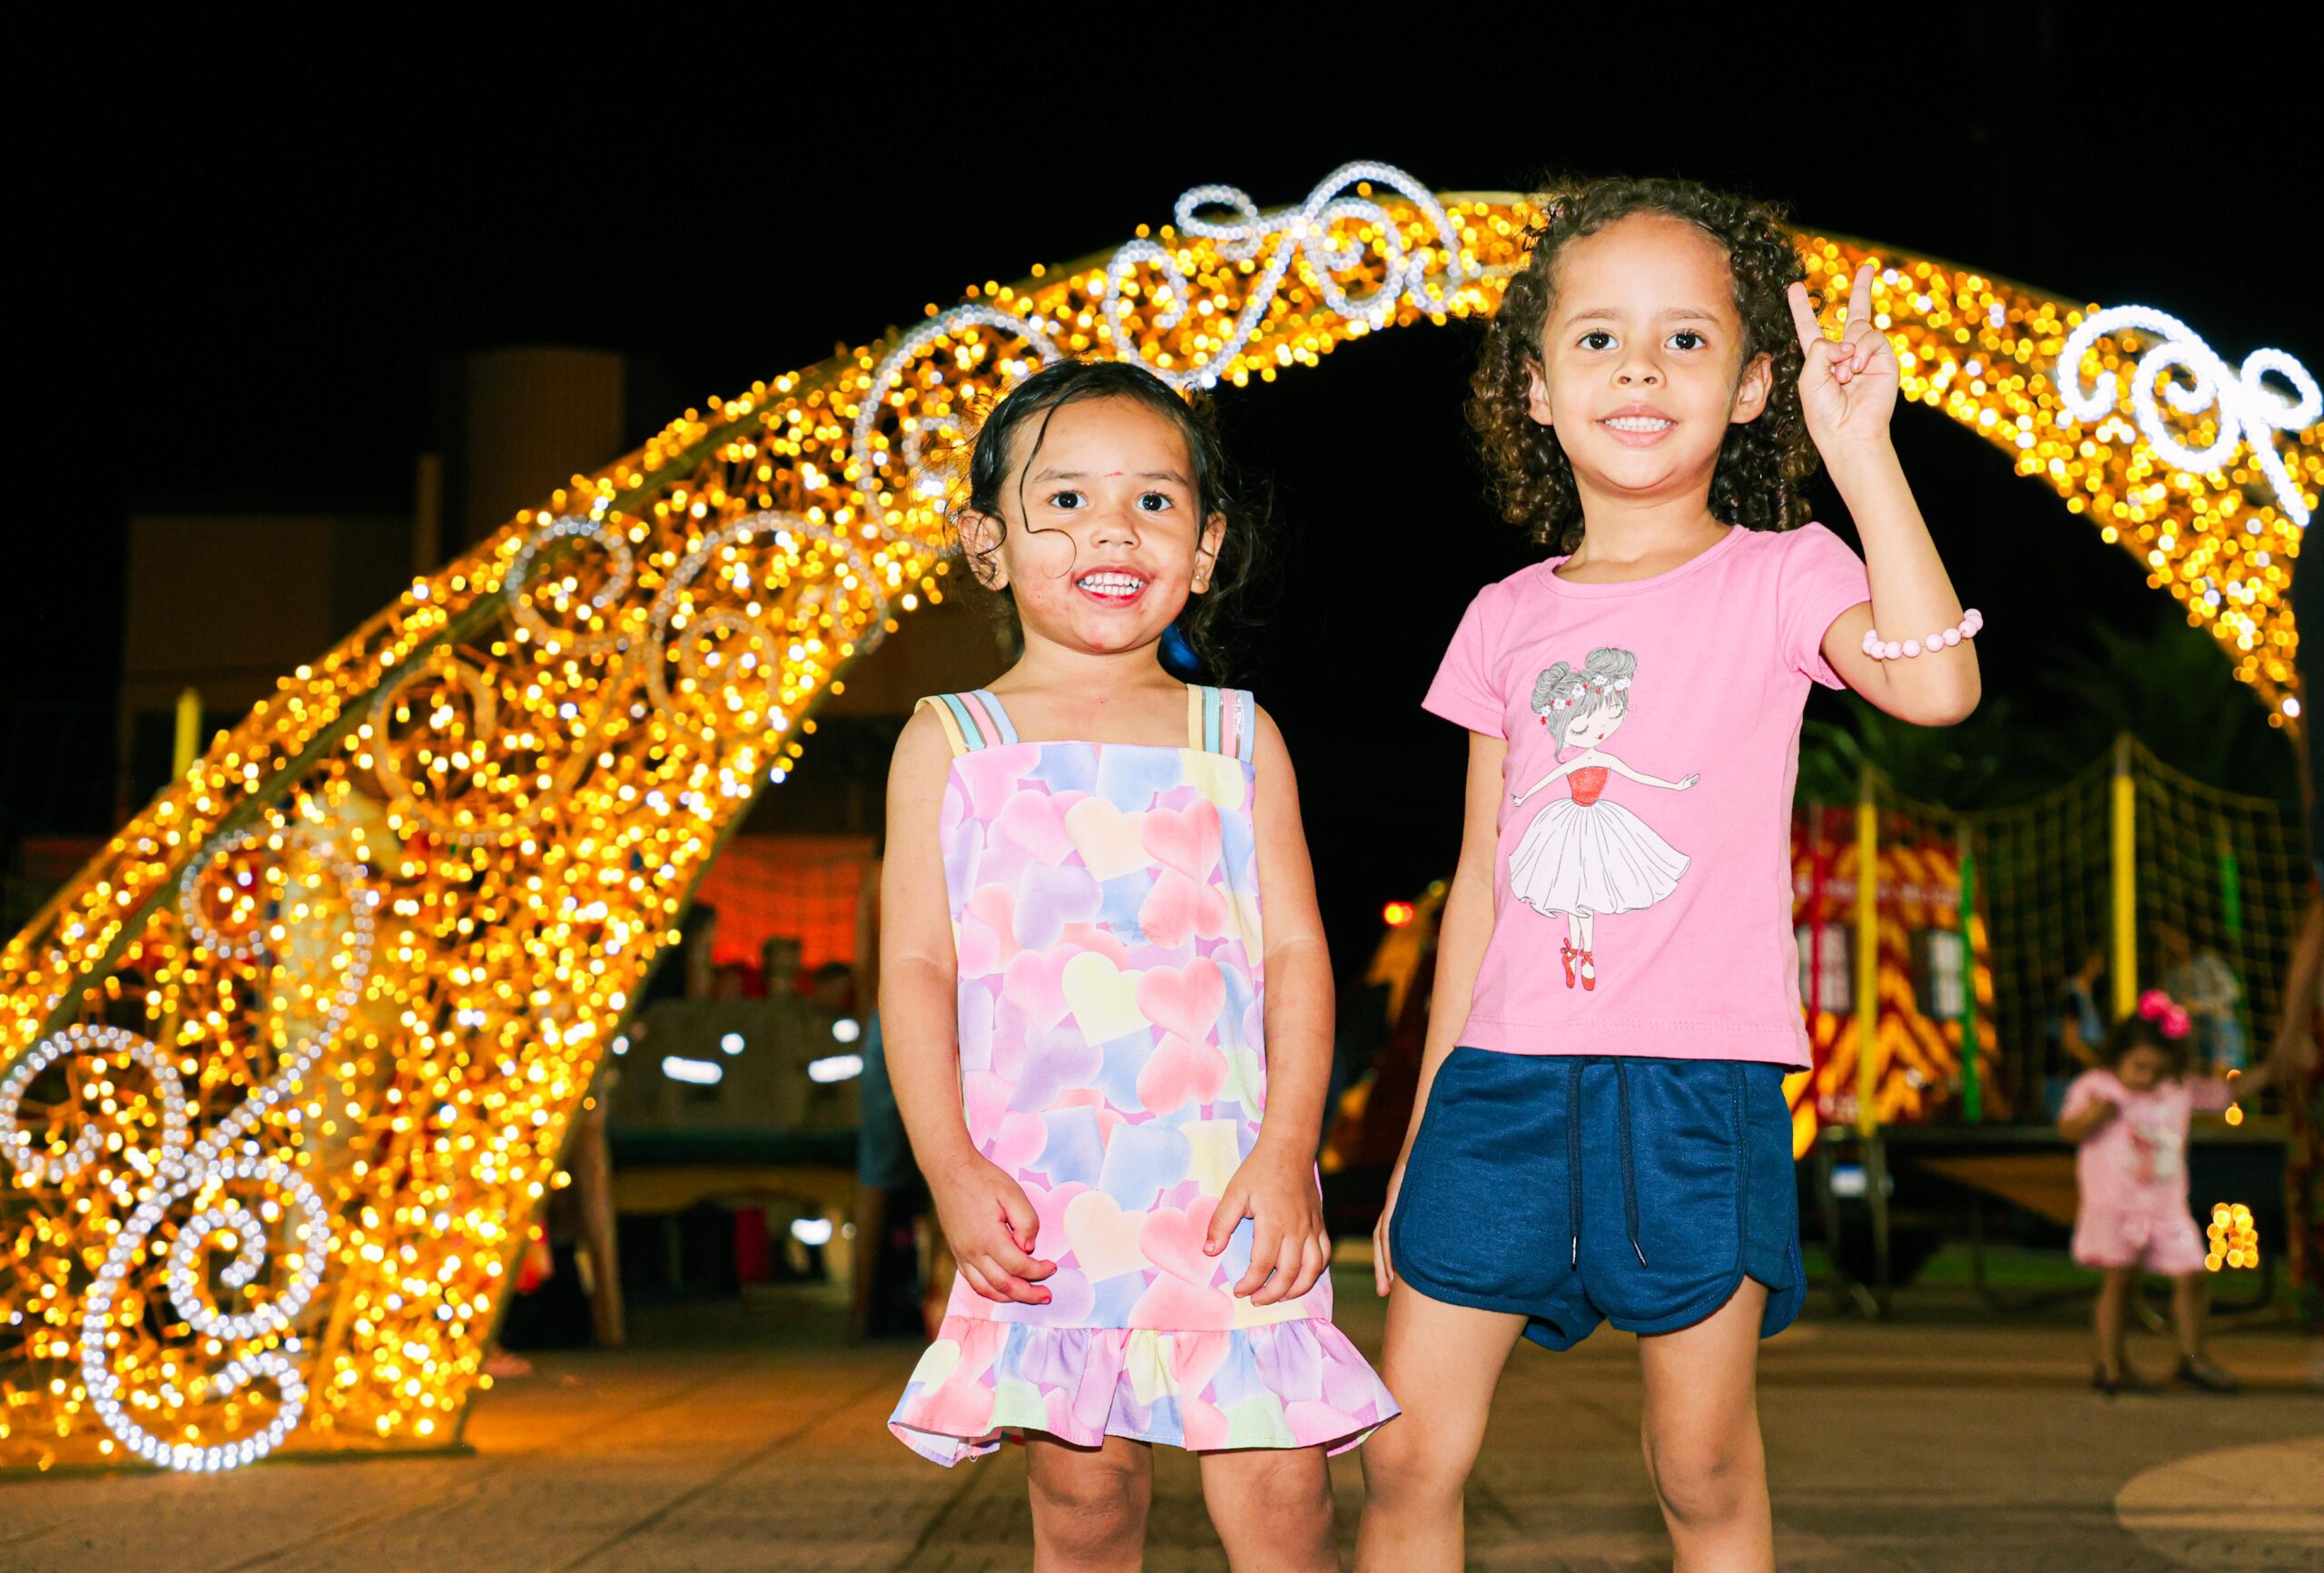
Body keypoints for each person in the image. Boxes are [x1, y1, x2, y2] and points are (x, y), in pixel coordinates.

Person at [1358, 177, 1980, 1573]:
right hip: (1500, 1085)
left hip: (1698, 1088)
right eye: (1597, 339)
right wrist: (1414, 1143)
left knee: (1698, 1466)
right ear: (1533, 387)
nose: (1639, 366)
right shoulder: (1503, 616)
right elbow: (1481, 886)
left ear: (1756, 385)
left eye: (1687, 340)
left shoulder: (1785, 573)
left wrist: (1863, 449)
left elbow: (1939, 690)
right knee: (1406, 1449)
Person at [880, 359, 1396, 1570]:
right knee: (1087, 1501)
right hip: (1048, 1197)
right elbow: (914, 967)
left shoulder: (1236, 734)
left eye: (1154, 502)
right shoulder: (949, 741)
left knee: (1282, 1501)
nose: (1109, 528)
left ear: (1205, 547)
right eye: (1062, 500)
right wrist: (949, 1166)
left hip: (1229, 1183)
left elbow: (1294, 951)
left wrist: (1288, 1150)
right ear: (987, 542)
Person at [2061, 989, 2289, 1394]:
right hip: (2114, 1205)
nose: (2145, 1077)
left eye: (2155, 1069)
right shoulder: (2097, 1087)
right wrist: (2094, 1117)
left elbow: (2227, 1094)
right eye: (2138, 1066)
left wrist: (2272, 1069)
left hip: (2165, 1209)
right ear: (2119, 1055)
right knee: (2118, 1280)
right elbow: (2068, 1131)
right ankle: (2111, 1365)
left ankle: (2192, 1359)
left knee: (2194, 1276)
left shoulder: (2176, 1089)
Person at [2044, 945, 2109, 1116]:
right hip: (2065, 1079)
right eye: (2097, 958)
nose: (2102, 962)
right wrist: (2098, 1063)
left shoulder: (2084, 994)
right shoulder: (2071, 995)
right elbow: (2070, 1042)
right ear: (2088, 962)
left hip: (2078, 1077)